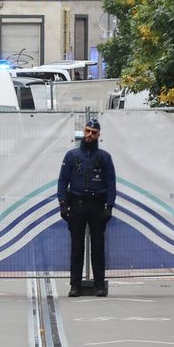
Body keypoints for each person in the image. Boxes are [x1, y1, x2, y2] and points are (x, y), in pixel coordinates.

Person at [57, 116, 117, 297]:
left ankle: (99, 285)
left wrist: (109, 206)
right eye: (87, 131)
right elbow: (62, 181)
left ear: (99, 135)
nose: (90, 135)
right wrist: (63, 204)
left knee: (98, 247)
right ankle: (75, 285)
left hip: (97, 206)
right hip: (77, 204)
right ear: (84, 132)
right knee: (77, 247)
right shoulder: (72, 156)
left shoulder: (104, 157)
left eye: (94, 133)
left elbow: (111, 183)